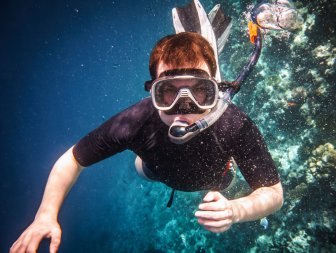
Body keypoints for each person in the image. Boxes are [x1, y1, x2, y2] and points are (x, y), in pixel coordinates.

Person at [10, 31, 283, 253]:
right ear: (153, 92)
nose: (184, 107)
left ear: (216, 89)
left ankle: (223, 172)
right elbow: (72, 159)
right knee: (143, 169)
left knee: (223, 183)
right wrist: (45, 214)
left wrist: (234, 210)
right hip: (157, 170)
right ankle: (145, 160)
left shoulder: (234, 124)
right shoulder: (135, 122)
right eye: (168, 93)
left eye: (200, 91)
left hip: (218, 175)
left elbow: (273, 193)